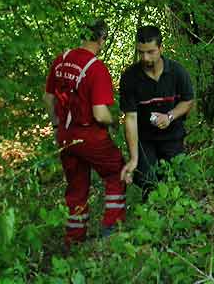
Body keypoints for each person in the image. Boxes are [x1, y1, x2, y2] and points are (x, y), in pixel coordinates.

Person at [43, 19, 134, 247]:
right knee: (115, 172)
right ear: (101, 39)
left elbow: (48, 98)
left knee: (76, 186)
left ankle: (74, 240)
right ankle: (112, 228)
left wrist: (56, 126)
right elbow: (100, 113)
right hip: (90, 134)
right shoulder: (95, 68)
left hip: (65, 135)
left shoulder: (60, 61)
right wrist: (113, 123)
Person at [119, 25, 195, 196]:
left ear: (161, 48)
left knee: (174, 182)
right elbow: (130, 118)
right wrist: (133, 158)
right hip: (145, 140)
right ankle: (150, 215)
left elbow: (188, 101)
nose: (145, 57)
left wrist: (170, 116)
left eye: (151, 52)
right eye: (141, 52)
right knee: (148, 182)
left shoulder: (177, 72)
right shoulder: (130, 78)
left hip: (173, 137)